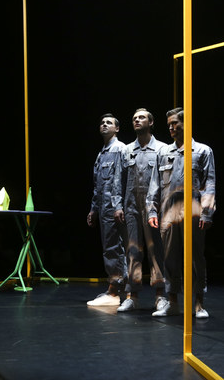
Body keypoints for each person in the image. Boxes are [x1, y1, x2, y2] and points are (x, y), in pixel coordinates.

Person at [147, 108, 216, 318]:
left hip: (193, 211)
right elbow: (154, 184)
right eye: (169, 124)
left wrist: (206, 212)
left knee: (195, 257)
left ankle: (198, 303)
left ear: (186, 123)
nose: (171, 127)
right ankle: (173, 301)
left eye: (175, 123)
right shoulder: (163, 153)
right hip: (168, 212)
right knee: (169, 257)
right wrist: (152, 210)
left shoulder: (203, 151)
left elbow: (209, 183)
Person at [112, 108, 167, 313]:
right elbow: (118, 179)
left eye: (141, 117)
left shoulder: (162, 149)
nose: (137, 120)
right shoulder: (127, 150)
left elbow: (165, 181)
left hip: (153, 207)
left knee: (156, 250)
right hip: (131, 206)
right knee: (133, 251)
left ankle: (160, 295)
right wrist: (118, 205)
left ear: (151, 122)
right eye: (134, 118)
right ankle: (132, 296)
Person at [87, 113, 128, 306]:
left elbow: (121, 181)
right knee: (109, 247)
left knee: (115, 248)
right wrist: (93, 209)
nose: (104, 124)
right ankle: (116, 288)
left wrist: (118, 206)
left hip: (115, 207)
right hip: (104, 207)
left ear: (117, 128)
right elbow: (98, 185)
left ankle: (116, 290)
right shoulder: (101, 153)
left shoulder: (120, 149)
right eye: (102, 122)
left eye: (109, 123)